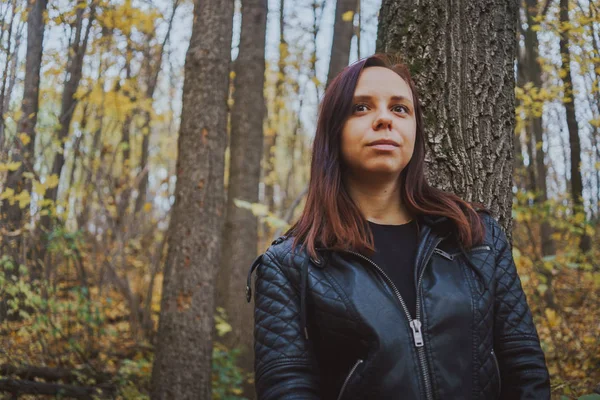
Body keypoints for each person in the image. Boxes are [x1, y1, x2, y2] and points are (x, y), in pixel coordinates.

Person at [246, 53, 550, 400]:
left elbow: (525, 370)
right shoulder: (290, 266)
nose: (384, 120)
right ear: (334, 129)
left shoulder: (476, 236)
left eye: (399, 108)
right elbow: (288, 390)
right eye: (361, 107)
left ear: (414, 131)